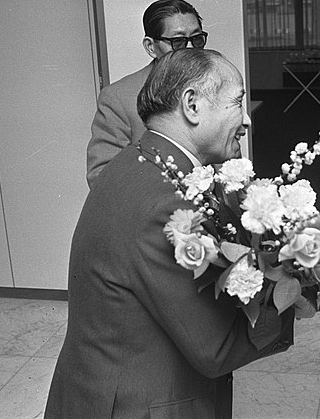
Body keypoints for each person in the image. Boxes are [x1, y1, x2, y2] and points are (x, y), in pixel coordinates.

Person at [46, 49, 293, 418]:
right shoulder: (167, 204)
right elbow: (216, 349)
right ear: (192, 105)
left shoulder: (137, 163)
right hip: (138, 403)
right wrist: (298, 288)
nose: (246, 120)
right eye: (237, 102)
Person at [86, 0, 208, 188]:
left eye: (197, 39)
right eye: (178, 42)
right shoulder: (118, 97)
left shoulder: (216, 84)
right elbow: (102, 177)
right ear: (151, 47)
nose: (191, 49)